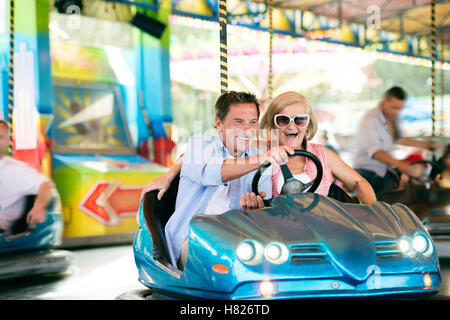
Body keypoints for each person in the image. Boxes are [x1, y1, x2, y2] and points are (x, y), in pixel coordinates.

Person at [162, 91, 292, 269]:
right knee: (228, 265)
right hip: (194, 238)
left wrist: (256, 209)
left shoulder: (259, 158)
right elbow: (212, 173)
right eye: (238, 122)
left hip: (241, 243)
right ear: (219, 123)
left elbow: (265, 202)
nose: (247, 130)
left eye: (253, 122)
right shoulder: (199, 145)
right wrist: (262, 159)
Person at [240, 91, 376, 210]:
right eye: (283, 120)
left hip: (321, 230)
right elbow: (232, 145)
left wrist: (372, 218)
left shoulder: (322, 155)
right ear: (272, 123)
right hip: (279, 232)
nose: (291, 127)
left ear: (308, 124)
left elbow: (359, 183)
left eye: (299, 120)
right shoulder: (259, 151)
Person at [353, 86, 434, 195]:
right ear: (384, 101)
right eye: (394, 107)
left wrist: (424, 144)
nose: (397, 112)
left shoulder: (394, 118)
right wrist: (403, 166)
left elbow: (398, 139)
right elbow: (376, 153)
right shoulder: (369, 120)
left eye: (400, 108)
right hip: (366, 173)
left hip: (384, 171)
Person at [0, 120, 54, 236]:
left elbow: (45, 185)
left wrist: (39, 207)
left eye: (0, 137)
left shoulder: (17, 170)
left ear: (7, 141)